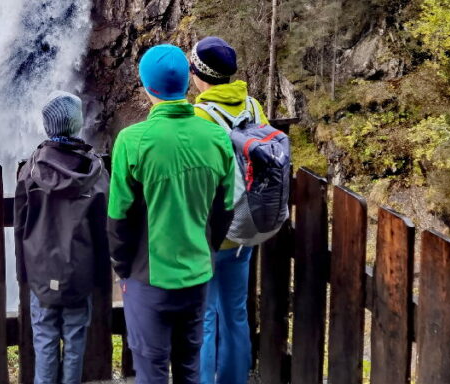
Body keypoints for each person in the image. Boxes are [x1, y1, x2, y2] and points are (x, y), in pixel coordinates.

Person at [108, 44, 236, 384]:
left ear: (148, 87)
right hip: (197, 273)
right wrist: (206, 250)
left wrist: (124, 269)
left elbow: (118, 218)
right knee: (189, 366)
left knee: (150, 369)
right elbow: (225, 208)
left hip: (147, 278)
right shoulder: (215, 137)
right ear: (185, 81)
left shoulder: (132, 141)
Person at [14, 91, 110, 384]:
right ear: (78, 123)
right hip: (79, 271)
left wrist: (23, 273)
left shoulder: (30, 170)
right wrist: (103, 278)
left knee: (43, 337)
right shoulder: (95, 171)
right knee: (76, 337)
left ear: (47, 126)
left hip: (42, 271)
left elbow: (20, 226)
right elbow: (103, 227)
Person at [189, 36, 267, 384]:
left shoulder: (199, 116)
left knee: (204, 317)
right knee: (235, 313)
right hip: (247, 228)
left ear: (198, 75)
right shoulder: (254, 107)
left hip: (209, 231)